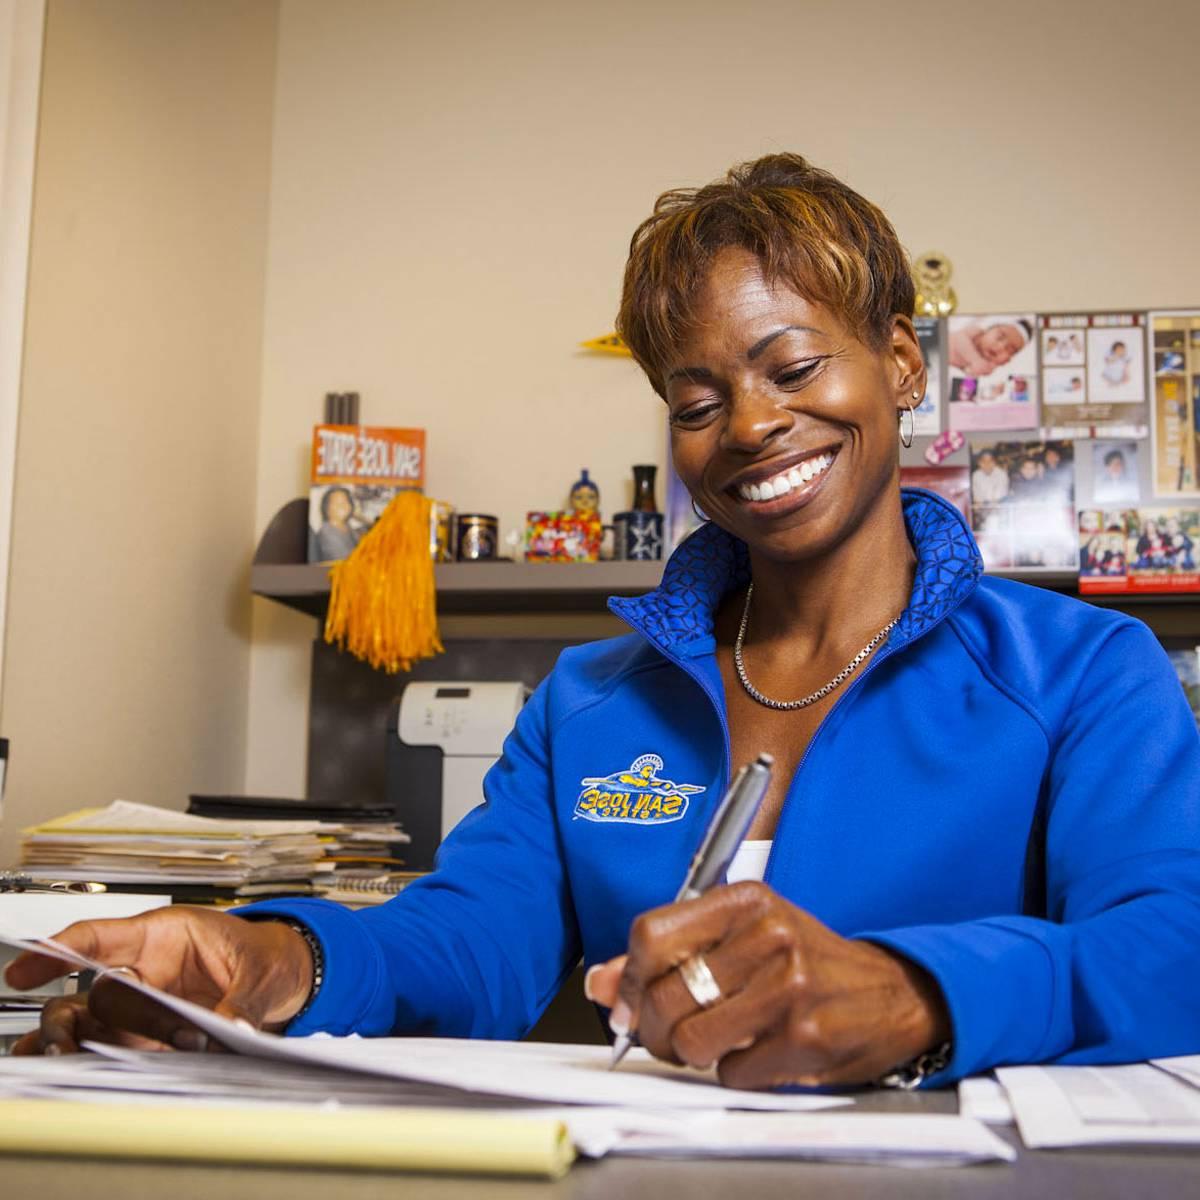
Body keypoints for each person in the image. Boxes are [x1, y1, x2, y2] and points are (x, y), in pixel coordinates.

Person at [9, 154, 1200, 1091]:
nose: (747, 425)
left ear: (898, 362)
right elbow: (472, 943)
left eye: (792, 368)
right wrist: (275, 959)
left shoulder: (1086, 673)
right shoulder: (587, 703)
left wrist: (915, 993)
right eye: (697, 398)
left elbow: (1170, 950)